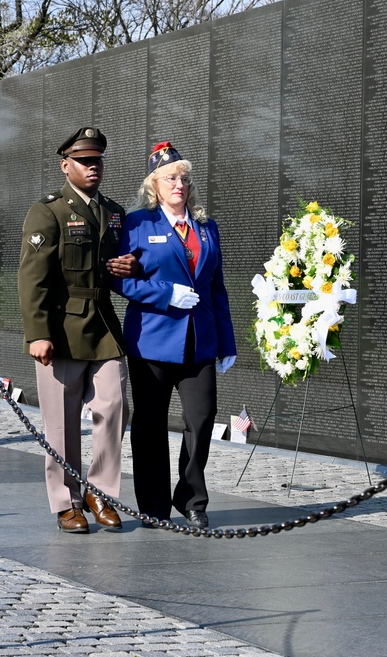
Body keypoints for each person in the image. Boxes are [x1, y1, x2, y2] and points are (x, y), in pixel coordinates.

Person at [18, 127, 139, 534]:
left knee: (114, 405)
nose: (93, 167)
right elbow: (32, 278)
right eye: (84, 161)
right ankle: (67, 500)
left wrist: (133, 267)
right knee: (62, 422)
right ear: (65, 164)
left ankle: (99, 491)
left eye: (98, 160)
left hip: (103, 324)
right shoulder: (48, 211)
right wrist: (38, 332)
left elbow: (124, 263)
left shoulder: (114, 212)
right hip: (61, 327)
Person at [113, 142, 236, 528]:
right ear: (154, 184)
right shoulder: (137, 224)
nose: (178, 184)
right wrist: (166, 294)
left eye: (183, 177)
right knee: (150, 425)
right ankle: (153, 506)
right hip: (152, 340)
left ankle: (192, 500)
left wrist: (227, 341)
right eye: (170, 178)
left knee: (201, 419)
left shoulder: (206, 226)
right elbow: (119, 281)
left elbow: (217, 288)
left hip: (200, 341)